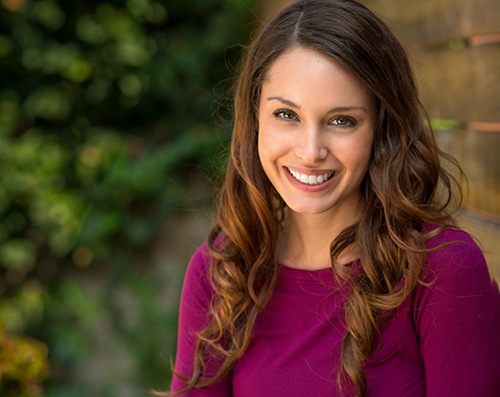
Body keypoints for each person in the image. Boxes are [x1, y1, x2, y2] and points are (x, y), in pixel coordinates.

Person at [162, 0, 500, 396]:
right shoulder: (223, 270)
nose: (310, 150)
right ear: (255, 118)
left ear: (382, 128)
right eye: (286, 115)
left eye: (342, 121)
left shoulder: (443, 270)